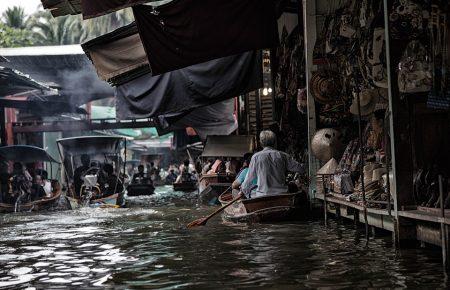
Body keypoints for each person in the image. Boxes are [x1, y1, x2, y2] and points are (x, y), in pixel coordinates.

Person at [241, 130, 305, 198]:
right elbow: (301, 169)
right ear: (275, 142)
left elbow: (248, 181)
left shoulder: (256, 157)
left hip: (262, 195)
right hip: (282, 194)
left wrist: (245, 192)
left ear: (261, 143)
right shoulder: (283, 155)